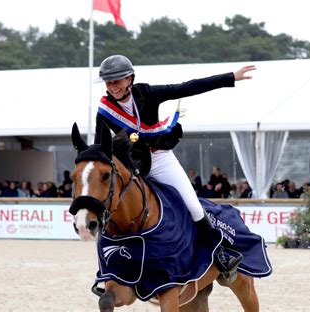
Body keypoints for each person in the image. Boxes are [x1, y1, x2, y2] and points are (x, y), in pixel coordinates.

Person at [95, 55, 253, 274]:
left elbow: (186, 88)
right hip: (132, 164)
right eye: (109, 82)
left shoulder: (147, 93)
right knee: (111, 208)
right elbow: (99, 147)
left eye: (117, 81)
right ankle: (107, 269)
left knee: (193, 205)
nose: (113, 87)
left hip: (160, 158)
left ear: (130, 78)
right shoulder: (104, 110)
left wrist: (230, 77)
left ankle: (221, 253)